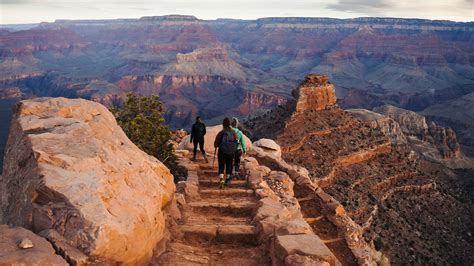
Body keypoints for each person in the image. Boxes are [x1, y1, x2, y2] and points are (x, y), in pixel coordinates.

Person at [214, 117, 238, 188]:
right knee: (229, 164)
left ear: (223, 125)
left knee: (221, 164)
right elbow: (236, 141)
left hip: (222, 151)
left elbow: (216, 144)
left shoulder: (221, 133)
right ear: (229, 124)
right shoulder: (233, 132)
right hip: (231, 152)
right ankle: (227, 178)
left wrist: (218, 145)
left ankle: (221, 179)